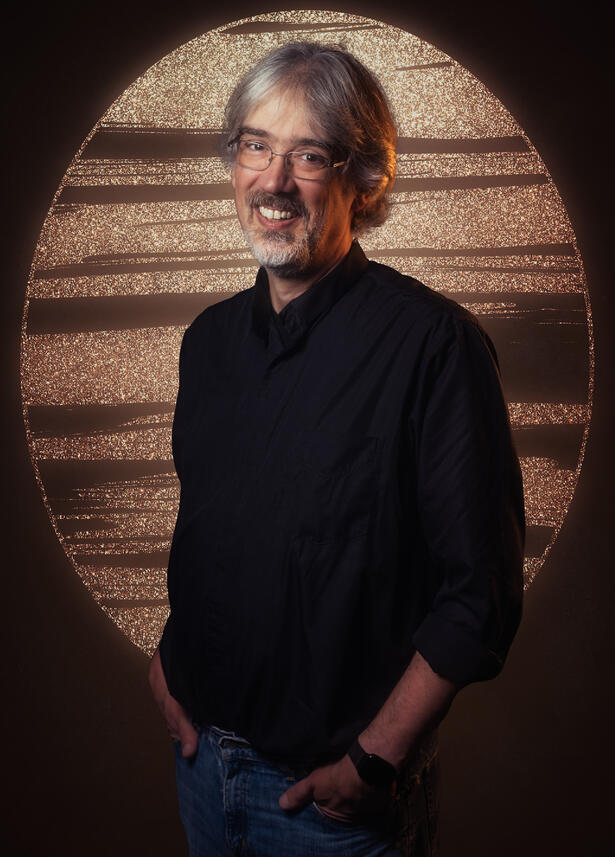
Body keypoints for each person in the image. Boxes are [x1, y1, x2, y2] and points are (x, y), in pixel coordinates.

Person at [148, 41, 525, 857]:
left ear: (366, 179)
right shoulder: (206, 342)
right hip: (201, 772)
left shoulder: (434, 346)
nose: (274, 181)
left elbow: (480, 596)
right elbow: (210, 534)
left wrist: (375, 758)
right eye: (255, 145)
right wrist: (166, 664)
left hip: (333, 814)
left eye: (309, 155)